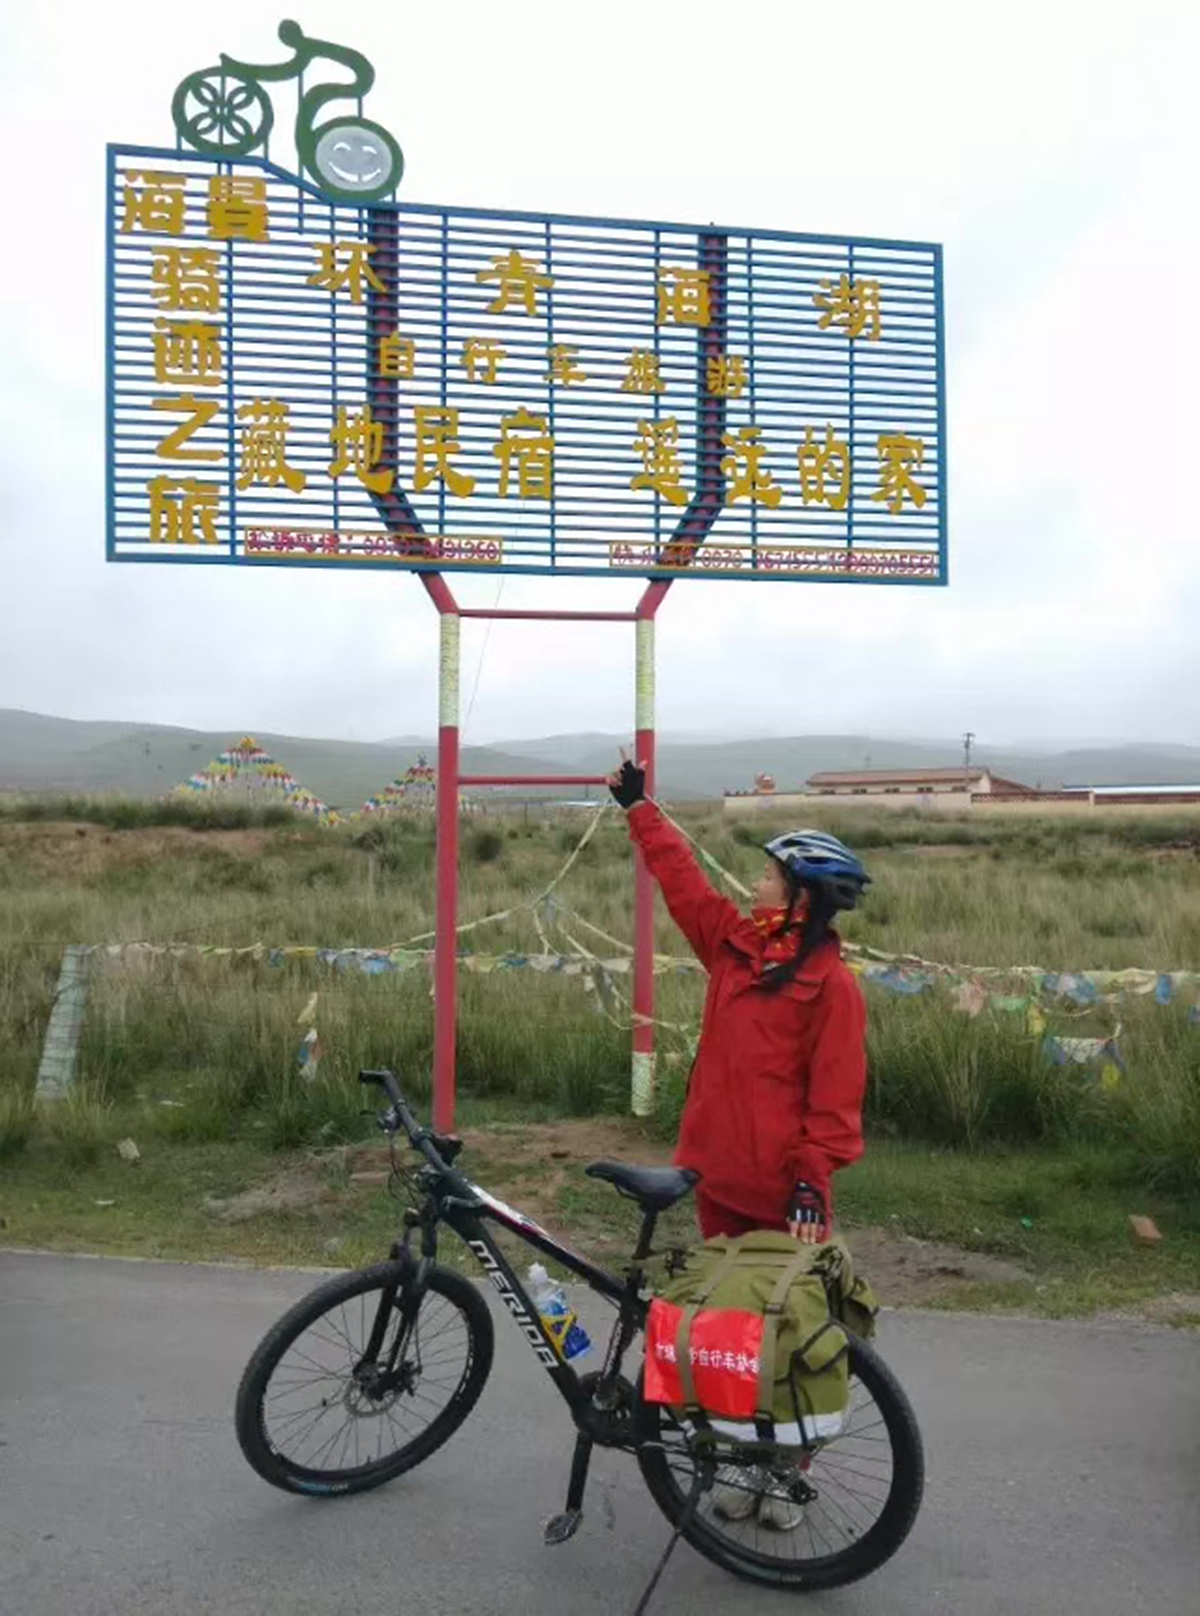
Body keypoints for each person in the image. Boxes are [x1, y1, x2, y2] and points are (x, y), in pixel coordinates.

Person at [608, 755, 871, 1529]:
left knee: (787, 1338)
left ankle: (787, 1473)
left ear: (800, 902)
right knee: (729, 1333)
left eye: (768, 881)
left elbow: (834, 1104)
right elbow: (684, 885)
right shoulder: (732, 946)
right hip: (714, 1177)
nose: (752, 888)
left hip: (787, 1196)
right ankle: (737, 1462)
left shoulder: (833, 988)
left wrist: (811, 1183)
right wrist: (640, 810)